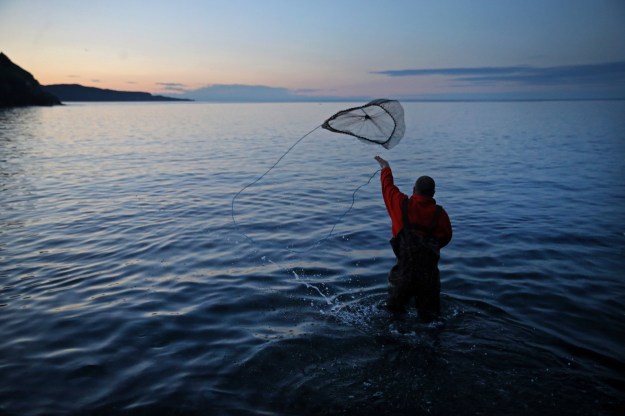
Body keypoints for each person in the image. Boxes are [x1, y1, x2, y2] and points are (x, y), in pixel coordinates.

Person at [374, 156, 452, 322]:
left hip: (403, 275)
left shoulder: (401, 205)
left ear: (413, 189)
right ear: (433, 193)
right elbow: (445, 238)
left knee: (393, 319)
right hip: (429, 278)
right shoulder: (441, 215)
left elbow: (388, 188)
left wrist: (385, 168)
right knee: (431, 322)